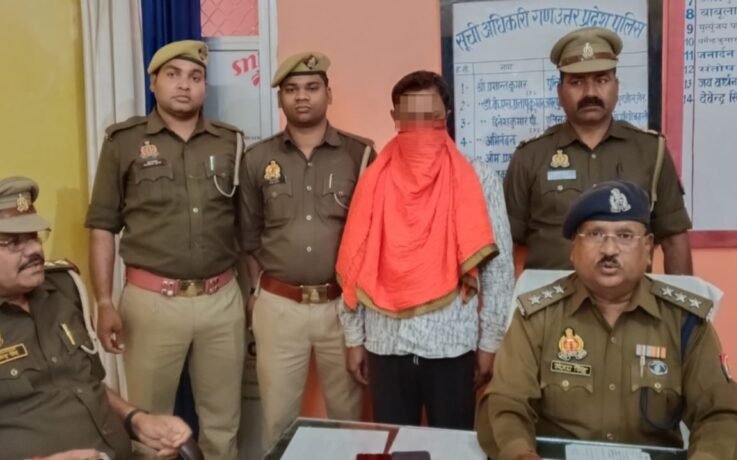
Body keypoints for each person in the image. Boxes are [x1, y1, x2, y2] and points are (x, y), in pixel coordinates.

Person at [0, 177, 193, 459]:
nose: (34, 251)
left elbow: (86, 386)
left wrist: (136, 420)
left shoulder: (58, 293)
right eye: (12, 242)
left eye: (34, 236)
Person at [476, 180, 737, 460]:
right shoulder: (538, 316)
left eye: (625, 235)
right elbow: (504, 404)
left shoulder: (684, 321)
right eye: (595, 234)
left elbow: (722, 417)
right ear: (574, 248)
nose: (609, 249)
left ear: (648, 247)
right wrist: (520, 454)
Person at [86, 40, 245, 459]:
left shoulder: (231, 143)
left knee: (223, 426)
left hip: (221, 301)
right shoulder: (124, 142)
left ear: (205, 87)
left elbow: (244, 227)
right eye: (173, 75)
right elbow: (102, 226)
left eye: (195, 77)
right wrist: (104, 301)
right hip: (152, 303)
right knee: (150, 430)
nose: (184, 85)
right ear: (153, 83)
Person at [336, 70, 514, 429]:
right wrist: (354, 338)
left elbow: (499, 269)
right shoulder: (374, 178)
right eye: (410, 117)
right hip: (385, 344)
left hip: (452, 346)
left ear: (445, 115)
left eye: (429, 116)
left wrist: (490, 343)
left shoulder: (477, 178)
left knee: (453, 448)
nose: (420, 127)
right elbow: (356, 260)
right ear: (394, 118)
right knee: (393, 445)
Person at [238, 51, 372, 448]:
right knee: (278, 422)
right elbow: (248, 236)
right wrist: (255, 292)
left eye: (312, 88)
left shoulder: (360, 154)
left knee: (350, 419)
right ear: (280, 98)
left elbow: (372, 234)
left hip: (342, 308)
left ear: (328, 94)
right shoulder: (257, 159)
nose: (301, 97)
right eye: (291, 89)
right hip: (279, 306)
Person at [503, 27, 693, 274]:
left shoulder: (651, 151)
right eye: (576, 82)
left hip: (630, 298)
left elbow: (674, 239)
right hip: (551, 297)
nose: (590, 92)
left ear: (617, 86)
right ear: (559, 92)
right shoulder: (530, 156)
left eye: (601, 80)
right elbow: (505, 242)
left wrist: (683, 300)